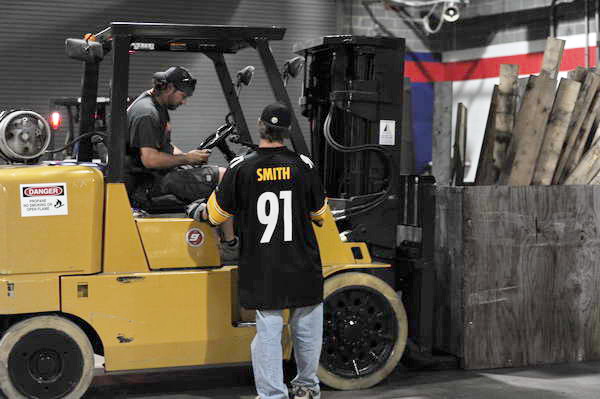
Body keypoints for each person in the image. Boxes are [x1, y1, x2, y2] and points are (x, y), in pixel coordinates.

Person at [186, 102, 327, 399]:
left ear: (261, 126)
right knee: (307, 327)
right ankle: (307, 388)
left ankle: (273, 395)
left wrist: (198, 210)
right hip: (303, 261)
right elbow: (319, 214)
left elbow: (215, 215)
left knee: (268, 331)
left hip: (264, 265)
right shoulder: (304, 165)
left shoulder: (241, 167)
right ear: (287, 132)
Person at [126, 65, 238, 261]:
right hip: (148, 184)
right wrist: (187, 158)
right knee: (226, 176)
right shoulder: (147, 113)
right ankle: (230, 245)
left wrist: (188, 158)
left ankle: (208, 221)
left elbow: (165, 146)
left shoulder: (156, 105)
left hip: (152, 177)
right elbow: (150, 159)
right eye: (183, 96)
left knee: (203, 173)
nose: (184, 101)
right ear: (169, 88)